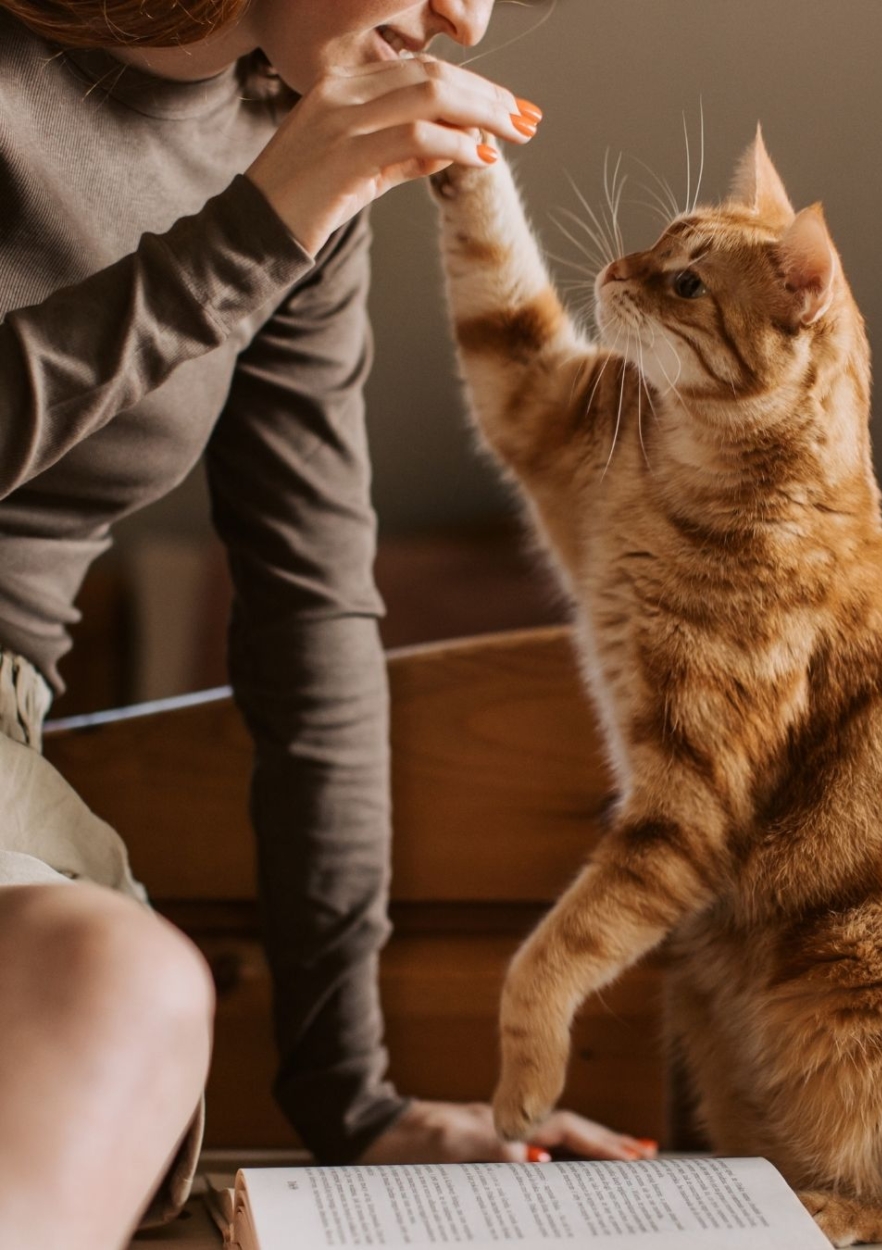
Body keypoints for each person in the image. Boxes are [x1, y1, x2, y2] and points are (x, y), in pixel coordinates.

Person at [0, 2, 655, 1247]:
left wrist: (348, 1096)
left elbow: (310, 618)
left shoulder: (293, 165)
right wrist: (248, 237)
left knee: (121, 987)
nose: (466, 15)